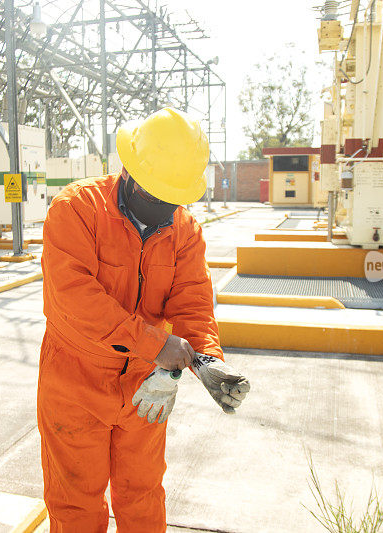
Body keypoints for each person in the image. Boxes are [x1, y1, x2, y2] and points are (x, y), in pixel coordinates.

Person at [38, 107, 250, 533]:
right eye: (157, 196)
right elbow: (75, 299)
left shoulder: (184, 230)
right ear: (129, 173)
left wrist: (206, 358)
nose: (166, 209)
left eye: (174, 200)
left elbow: (192, 301)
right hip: (74, 384)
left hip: (144, 390)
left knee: (143, 496)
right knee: (76, 503)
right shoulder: (76, 211)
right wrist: (156, 346)